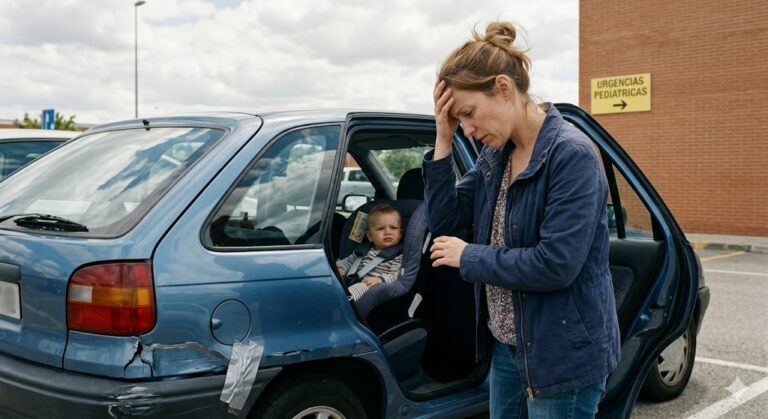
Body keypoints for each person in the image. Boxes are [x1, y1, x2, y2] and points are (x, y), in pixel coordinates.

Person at [423, 21, 620, 418]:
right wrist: (443, 138)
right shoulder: (497, 155)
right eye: (460, 121)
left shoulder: (571, 155)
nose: (468, 130)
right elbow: (445, 221)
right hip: (508, 347)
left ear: (503, 88)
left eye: (469, 114)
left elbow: (556, 264)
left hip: (560, 354)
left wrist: (469, 256)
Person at [337, 204, 404, 301]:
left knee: (357, 288)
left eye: (393, 228)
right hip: (351, 280)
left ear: (400, 234)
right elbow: (348, 261)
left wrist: (380, 279)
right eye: (381, 228)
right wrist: (341, 268)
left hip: (371, 286)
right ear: (370, 236)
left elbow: (395, 275)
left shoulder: (398, 256)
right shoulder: (363, 250)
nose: (387, 232)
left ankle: (343, 301)